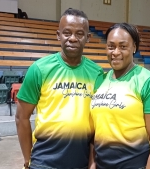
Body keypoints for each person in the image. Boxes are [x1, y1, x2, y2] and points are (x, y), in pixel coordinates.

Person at [15, 8, 104, 169]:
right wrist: (28, 159)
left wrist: (92, 162)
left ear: (88, 38)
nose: (72, 38)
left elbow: (98, 124)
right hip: (44, 162)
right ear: (58, 35)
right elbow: (21, 117)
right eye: (67, 33)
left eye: (79, 34)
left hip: (81, 162)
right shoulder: (39, 69)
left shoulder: (96, 73)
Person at [90, 23, 150, 169]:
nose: (116, 52)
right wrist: (93, 163)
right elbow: (95, 132)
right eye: (111, 46)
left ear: (134, 48)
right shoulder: (100, 80)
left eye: (123, 46)